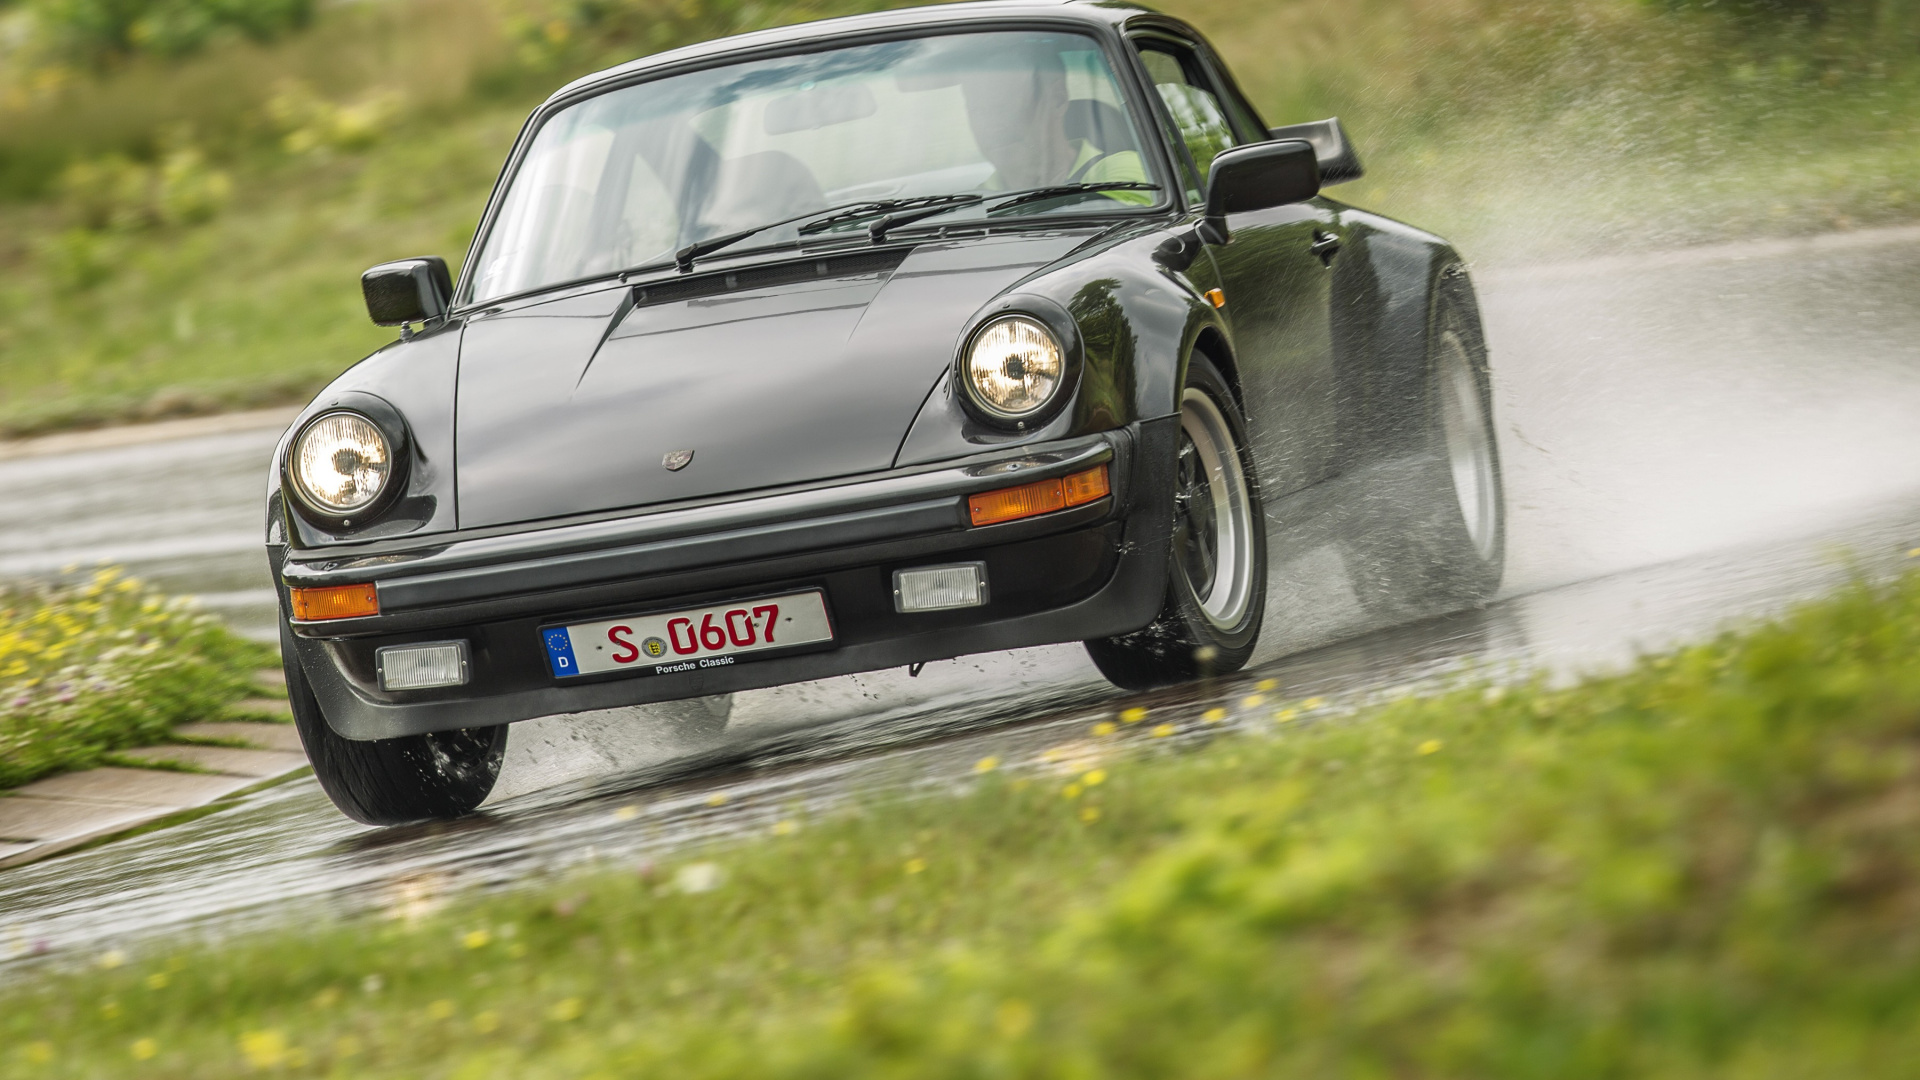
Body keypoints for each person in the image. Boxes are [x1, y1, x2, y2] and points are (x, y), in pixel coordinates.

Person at [958, 39, 1152, 205]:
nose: (990, 125)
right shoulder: (974, 203)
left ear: (1057, 99)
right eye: (976, 110)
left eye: (1003, 106)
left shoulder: (1121, 173)